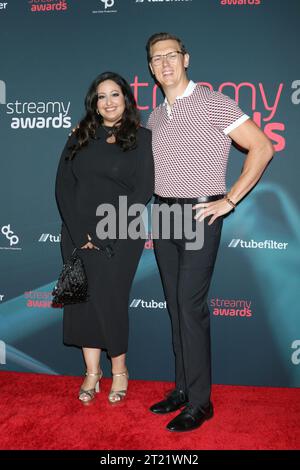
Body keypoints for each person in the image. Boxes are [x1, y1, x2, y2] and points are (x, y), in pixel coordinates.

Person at [146, 32, 274, 432]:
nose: (164, 63)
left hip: (200, 213)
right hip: (164, 215)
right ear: (150, 68)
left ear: (186, 59)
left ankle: (201, 403)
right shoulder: (155, 114)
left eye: (171, 55)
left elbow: (262, 147)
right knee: (175, 306)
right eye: (156, 58)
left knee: (190, 307)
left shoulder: (214, 103)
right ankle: (183, 389)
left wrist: (230, 200)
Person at [55, 72, 154, 404]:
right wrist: (79, 230)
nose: (109, 102)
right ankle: (92, 372)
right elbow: (63, 187)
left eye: (115, 94)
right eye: (101, 96)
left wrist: (103, 231)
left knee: (110, 302)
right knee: (82, 302)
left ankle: (120, 371)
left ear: (126, 98)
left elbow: (143, 190)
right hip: (75, 233)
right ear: (93, 103)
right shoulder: (79, 136)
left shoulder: (142, 138)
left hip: (120, 235)